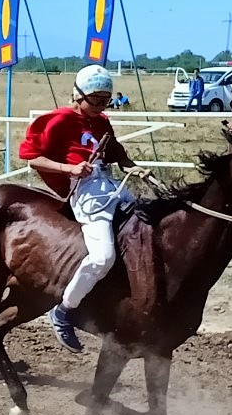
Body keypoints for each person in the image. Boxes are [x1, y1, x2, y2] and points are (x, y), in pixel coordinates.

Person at [18, 64, 142, 354]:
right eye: (95, 100)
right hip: (84, 192)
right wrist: (69, 167)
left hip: (109, 185)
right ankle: (64, 310)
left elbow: (117, 154)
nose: (100, 107)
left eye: (105, 101)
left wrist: (135, 169)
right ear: (78, 95)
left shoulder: (102, 122)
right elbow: (31, 157)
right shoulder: (60, 119)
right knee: (102, 257)